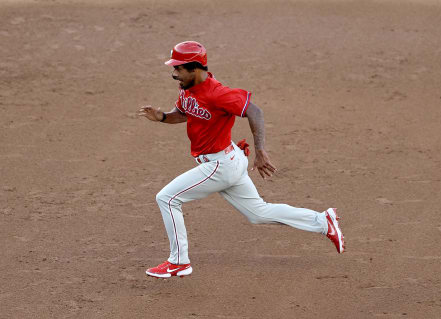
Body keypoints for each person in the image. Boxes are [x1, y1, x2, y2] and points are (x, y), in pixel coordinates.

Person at [137, 41, 345, 279]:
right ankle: (322, 221)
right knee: (258, 213)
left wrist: (261, 150)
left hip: (220, 166)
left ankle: (179, 262)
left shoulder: (218, 93)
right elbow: (184, 113)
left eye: (178, 69)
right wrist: (162, 117)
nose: (174, 74)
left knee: (167, 198)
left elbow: (255, 111)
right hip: (229, 160)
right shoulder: (188, 88)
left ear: (194, 68)